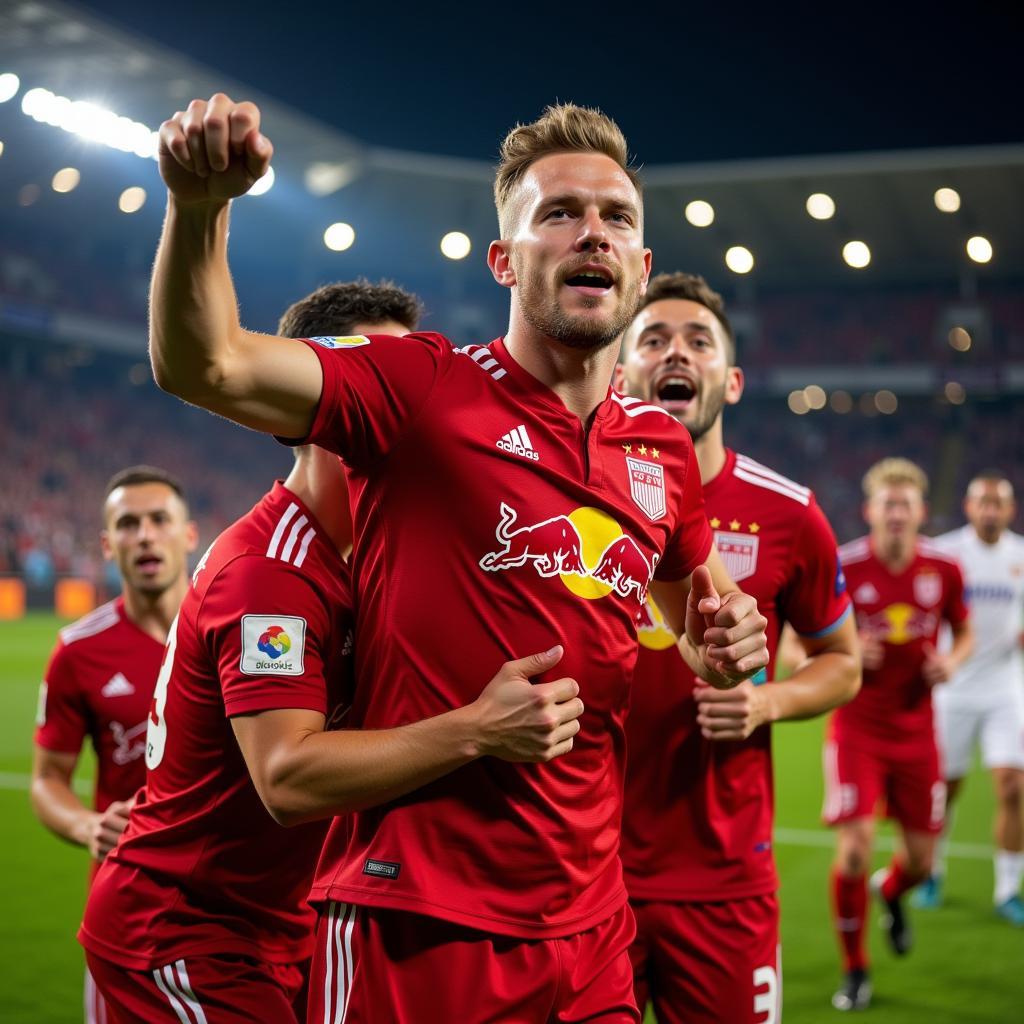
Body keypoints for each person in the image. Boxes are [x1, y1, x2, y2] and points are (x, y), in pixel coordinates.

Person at [146, 95, 770, 1022]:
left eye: (615, 218)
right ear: (505, 259)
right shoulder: (422, 387)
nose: (590, 232)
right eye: (558, 213)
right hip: (420, 925)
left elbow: (691, 617)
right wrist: (200, 208)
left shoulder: (661, 449)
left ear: (639, 268)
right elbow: (210, 366)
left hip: (593, 929)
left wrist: (724, 642)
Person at [80, 280, 587, 1023]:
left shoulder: (387, 554)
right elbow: (287, 780)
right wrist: (479, 728)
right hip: (188, 932)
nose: (402, 405)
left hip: (296, 922)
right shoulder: (271, 575)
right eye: (377, 378)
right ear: (319, 403)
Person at [615, 272, 860, 1024]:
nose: (675, 354)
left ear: (733, 378)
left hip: (722, 876)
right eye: (652, 340)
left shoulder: (789, 514)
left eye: (698, 342)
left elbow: (843, 661)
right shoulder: (571, 500)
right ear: (621, 373)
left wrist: (766, 700)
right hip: (582, 871)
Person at [32, 465, 197, 1024]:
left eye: (158, 520)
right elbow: (47, 779)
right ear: (107, 544)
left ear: (188, 534)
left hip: (230, 899)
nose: (145, 534)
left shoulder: (235, 630)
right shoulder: (78, 651)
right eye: (128, 524)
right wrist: (86, 825)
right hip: (127, 906)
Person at [825, 458, 973, 1011]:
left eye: (904, 504)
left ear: (919, 512)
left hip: (918, 733)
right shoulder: (844, 565)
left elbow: (965, 631)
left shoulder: (945, 569)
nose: (895, 513)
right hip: (858, 728)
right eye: (886, 503)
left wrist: (953, 662)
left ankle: (892, 894)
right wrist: (846, 652)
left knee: (921, 863)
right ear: (870, 510)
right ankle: (855, 969)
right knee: (856, 850)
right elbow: (799, 643)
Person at [914, 471, 1024, 925]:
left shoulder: (1020, 555)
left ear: (1010, 510)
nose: (991, 511)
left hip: (1004, 684)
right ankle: (932, 872)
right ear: (969, 507)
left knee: (1014, 788)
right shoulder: (946, 553)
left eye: (999, 503)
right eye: (984, 502)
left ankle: (1006, 889)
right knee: (945, 790)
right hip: (953, 686)